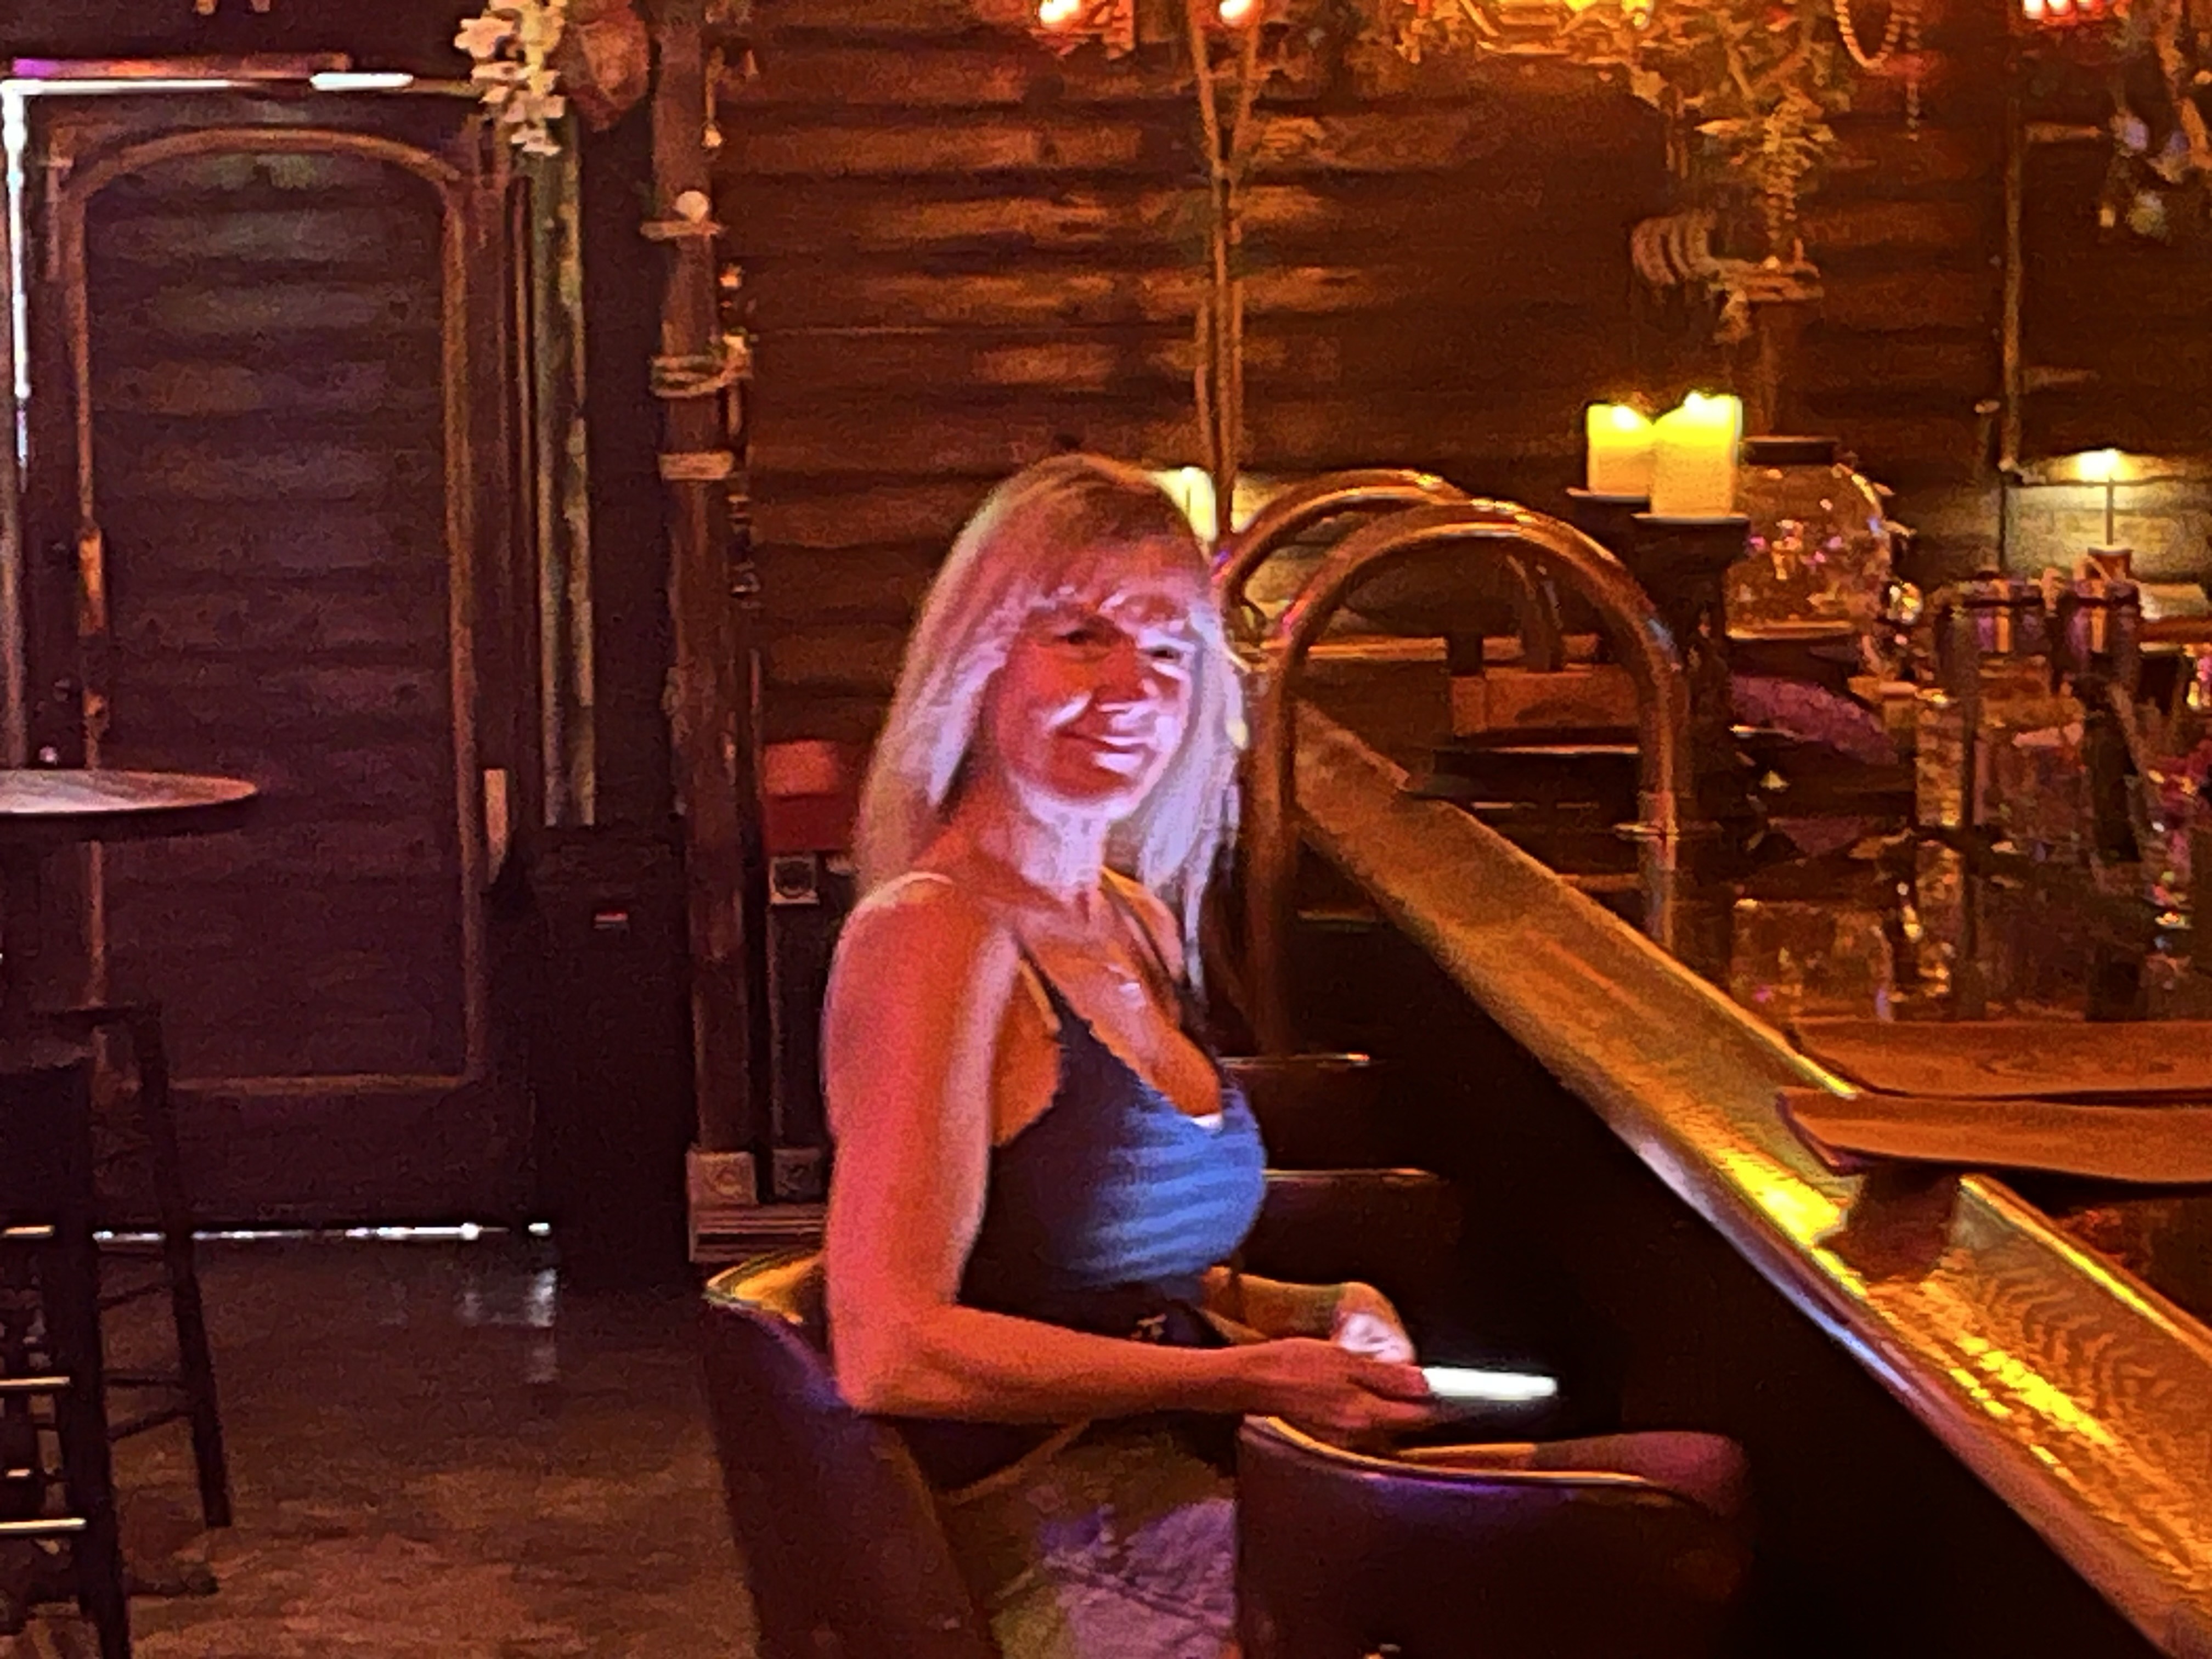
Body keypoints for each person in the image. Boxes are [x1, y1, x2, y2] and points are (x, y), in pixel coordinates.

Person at [821, 454, 1441, 1658]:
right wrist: (1244, 1380)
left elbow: (1129, 1288)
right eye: (1080, 638)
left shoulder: (1131, 920)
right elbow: (891, 1348)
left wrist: (1328, 1312)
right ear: (979, 662)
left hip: (1198, 1480)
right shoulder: (935, 935)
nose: (1133, 689)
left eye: (1169, 651)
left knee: (1687, 1485)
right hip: (1056, 1535)